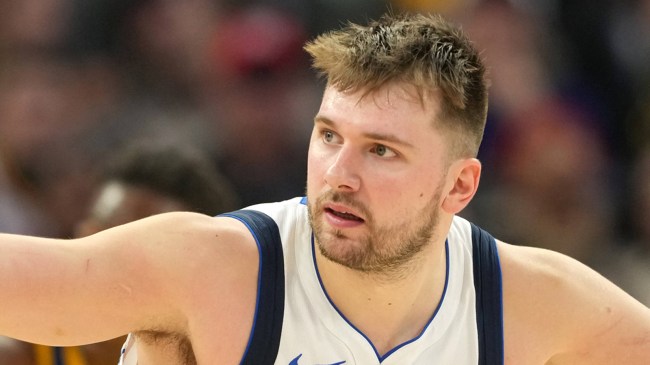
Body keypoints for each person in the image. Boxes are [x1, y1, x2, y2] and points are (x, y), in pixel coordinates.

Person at [0, 12, 649, 365]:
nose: (339, 172)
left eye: (381, 151)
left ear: (459, 185)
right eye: (329, 135)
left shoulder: (534, 305)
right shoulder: (215, 269)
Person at [0, 141, 239, 365]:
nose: (115, 261)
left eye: (146, 254)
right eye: (105, 234)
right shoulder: (19, 352)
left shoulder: (224, 350)